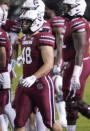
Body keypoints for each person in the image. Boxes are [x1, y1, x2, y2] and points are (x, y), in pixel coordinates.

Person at [58, 0, 90, 131]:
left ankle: (75, 128)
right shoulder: (70, 21)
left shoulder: (78, 23)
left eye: (68, 6)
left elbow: (80, 51)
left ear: (77, 8)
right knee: (70, 98)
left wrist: (75, 74)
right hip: (72, 62)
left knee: (71, 100)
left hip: (79, 63)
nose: (65, 8)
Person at [11, 8, 62, 131]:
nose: (23, 25)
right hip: (26, 84)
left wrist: (33, 77)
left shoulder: (43, 37)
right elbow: (32, 55)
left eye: (27, 22)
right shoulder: (24, 38)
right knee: (19, 121)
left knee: (49, 122)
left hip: (41, 84)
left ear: (36, 22)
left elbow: (49, 64)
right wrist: (20, 58)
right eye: (22, 22)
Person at [0, 1, 16, 130]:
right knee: (4, 106)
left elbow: (3, 59)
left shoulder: (1, 33)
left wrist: (11, 64)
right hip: (4, 71)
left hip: (3, 72)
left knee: (4, 107)